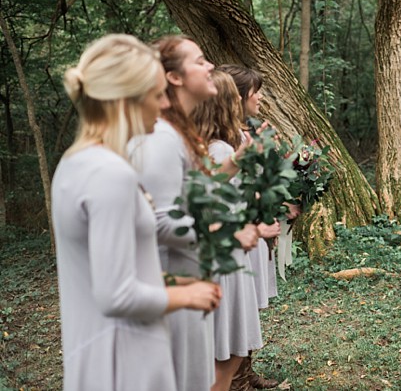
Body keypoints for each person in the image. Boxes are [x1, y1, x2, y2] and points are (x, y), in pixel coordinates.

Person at [52, 34, 221, 391]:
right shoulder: (109, 173)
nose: (163, 106)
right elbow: (116, 295)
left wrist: (175, 281)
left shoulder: (76, 162)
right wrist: (187, 296)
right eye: (157, 94)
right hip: (124, 359)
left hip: (102, 349)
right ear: (127, 100)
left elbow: (111, 268)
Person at [129, 35, 252, 391]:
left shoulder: (179, 133)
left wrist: (233, 165)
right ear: (175, 78)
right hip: (173, 282)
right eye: (199, 61)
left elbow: (192, 198)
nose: (210, 66)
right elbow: (160, 221)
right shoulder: (164, 137)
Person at [192, 69, 272, 391]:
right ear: (229, 103)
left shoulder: (217, 148)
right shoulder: (220, 151)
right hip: (225, 254)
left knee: (227, 349)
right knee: (225, 352)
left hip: (228, 250)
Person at [220, 63, 292, 389]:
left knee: (247, 307)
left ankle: (246, 373)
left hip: (253, 229)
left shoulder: (244, 133)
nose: (260, 97)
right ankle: (235, 381)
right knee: (235, 311)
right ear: (238, 97)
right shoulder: (221, 143)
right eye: (255, 92)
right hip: (236, 234)